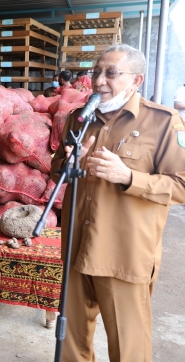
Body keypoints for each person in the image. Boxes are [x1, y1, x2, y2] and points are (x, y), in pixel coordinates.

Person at [51, 44, 185, 362]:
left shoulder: (164, 122)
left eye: (111, 73)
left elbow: (182, 184)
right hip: (76, 246)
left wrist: (128, 177)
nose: (99, 81)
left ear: (136, 80)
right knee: (71, 343)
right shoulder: (78, 119)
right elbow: (56, 167)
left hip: (123, 254)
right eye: (95, 72)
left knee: (128, 348)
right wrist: (69, 163)